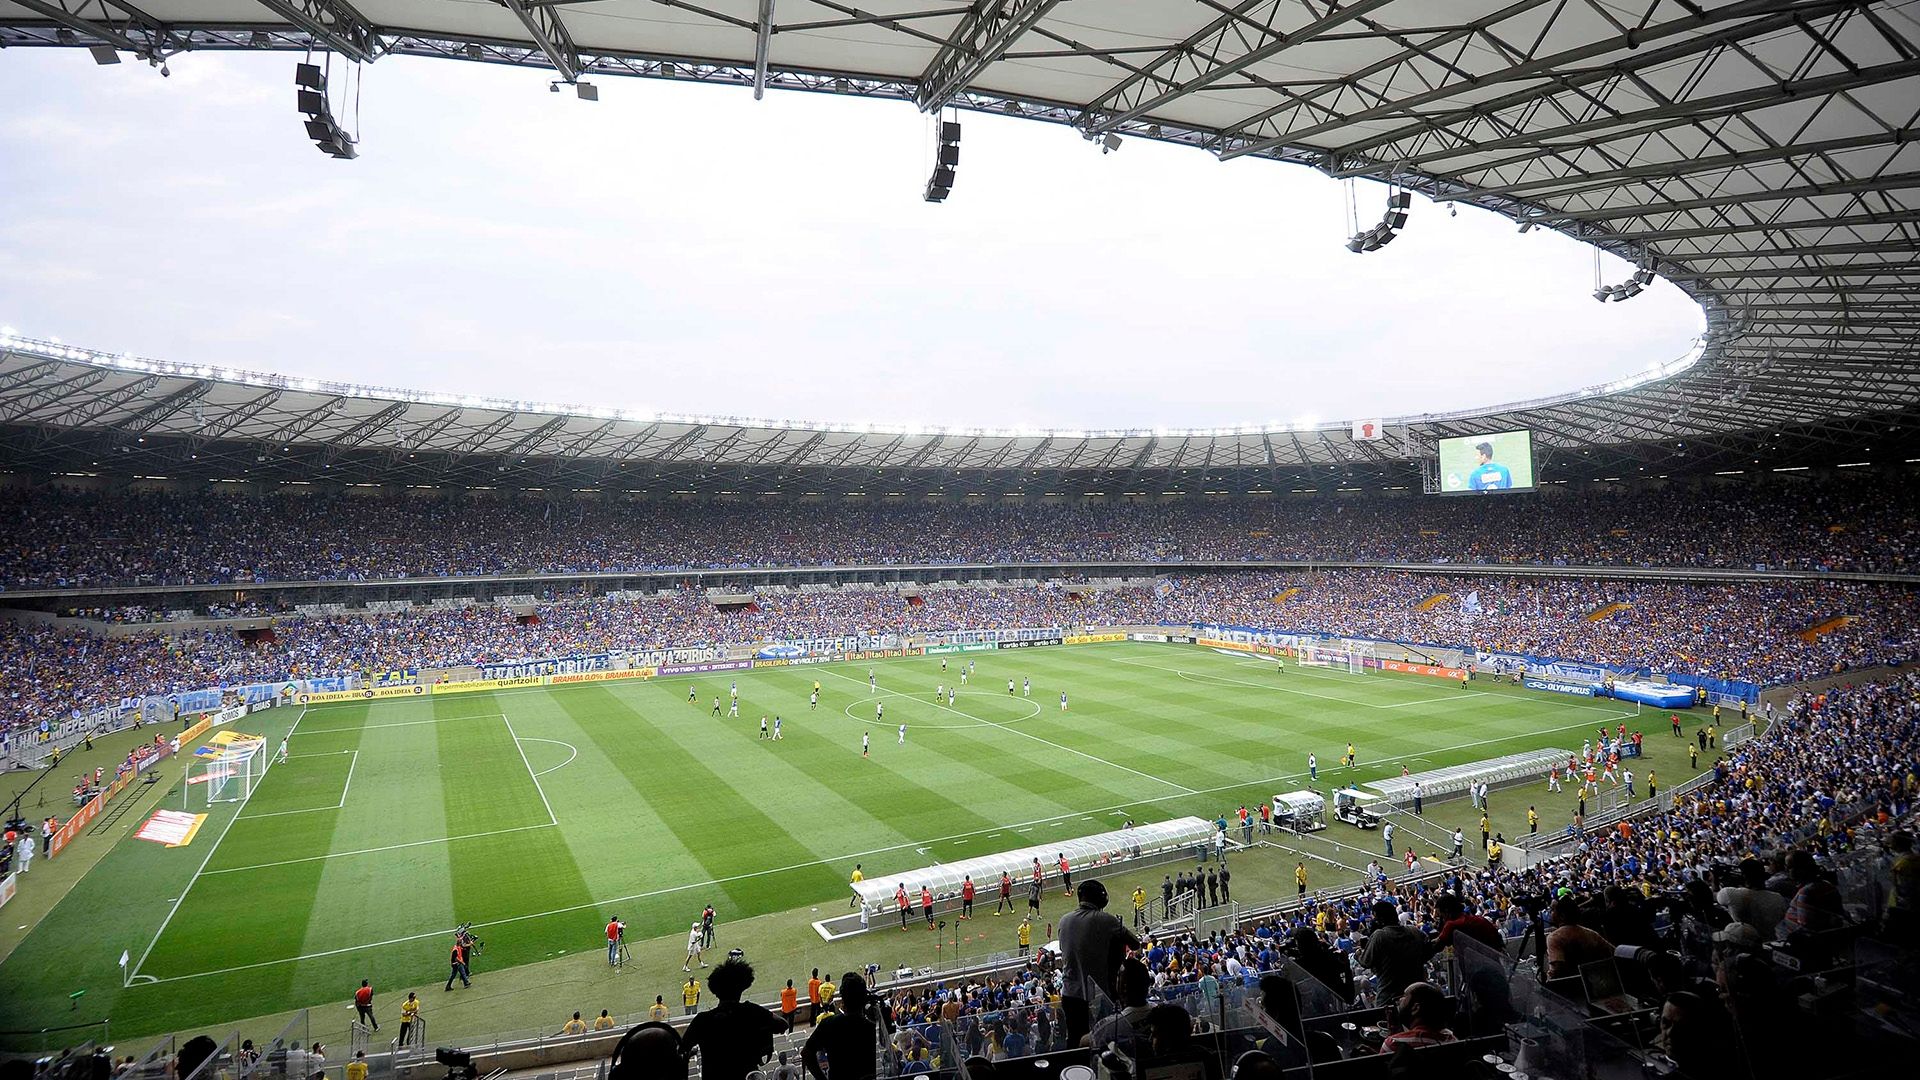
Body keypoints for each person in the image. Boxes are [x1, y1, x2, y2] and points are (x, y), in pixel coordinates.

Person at [1057, 880, 1141, 1046]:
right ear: (1101, 899)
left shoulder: (1064, 920)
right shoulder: (1107, 920)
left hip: (1070, 995)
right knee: (1102, 1040)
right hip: (1099, 996)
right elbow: (1135, 943)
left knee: (1075, 1041)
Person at [683, 958, 788, 1080]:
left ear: (715, 991)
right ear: (742, 987)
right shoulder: (753, 1011)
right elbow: (783, 1024)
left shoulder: (702, 1020)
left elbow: (681, 1050)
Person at [802, 972, 877, 1080]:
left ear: (842, 998)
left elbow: (806, 1053)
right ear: (864, 997)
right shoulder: (870, 1027)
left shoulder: (828, 1024)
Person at [1360, 900, 1430, 1003]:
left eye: (1375, 918)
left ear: (1381, 919)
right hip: (1417, 996)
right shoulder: (1414, 931)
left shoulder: (1379, 936)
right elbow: (1428, 950)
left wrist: (1358, 955)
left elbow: (1365, 962)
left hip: (1388, 999)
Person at [1545, 897, 1614, 980]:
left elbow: (1556, 970)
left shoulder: (1554, 938)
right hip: (1595, 981)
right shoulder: (1591, 933)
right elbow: (1613, 952)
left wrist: (1546, 978)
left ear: (1562, 916)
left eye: (1552, 910)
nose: (1550, 913)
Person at [1379, 983, 1457, 1051]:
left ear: (1416, 1008)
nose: (1399, 1000)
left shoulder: (1393, 1044)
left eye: (1405, 996)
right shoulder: (1451, 1039)